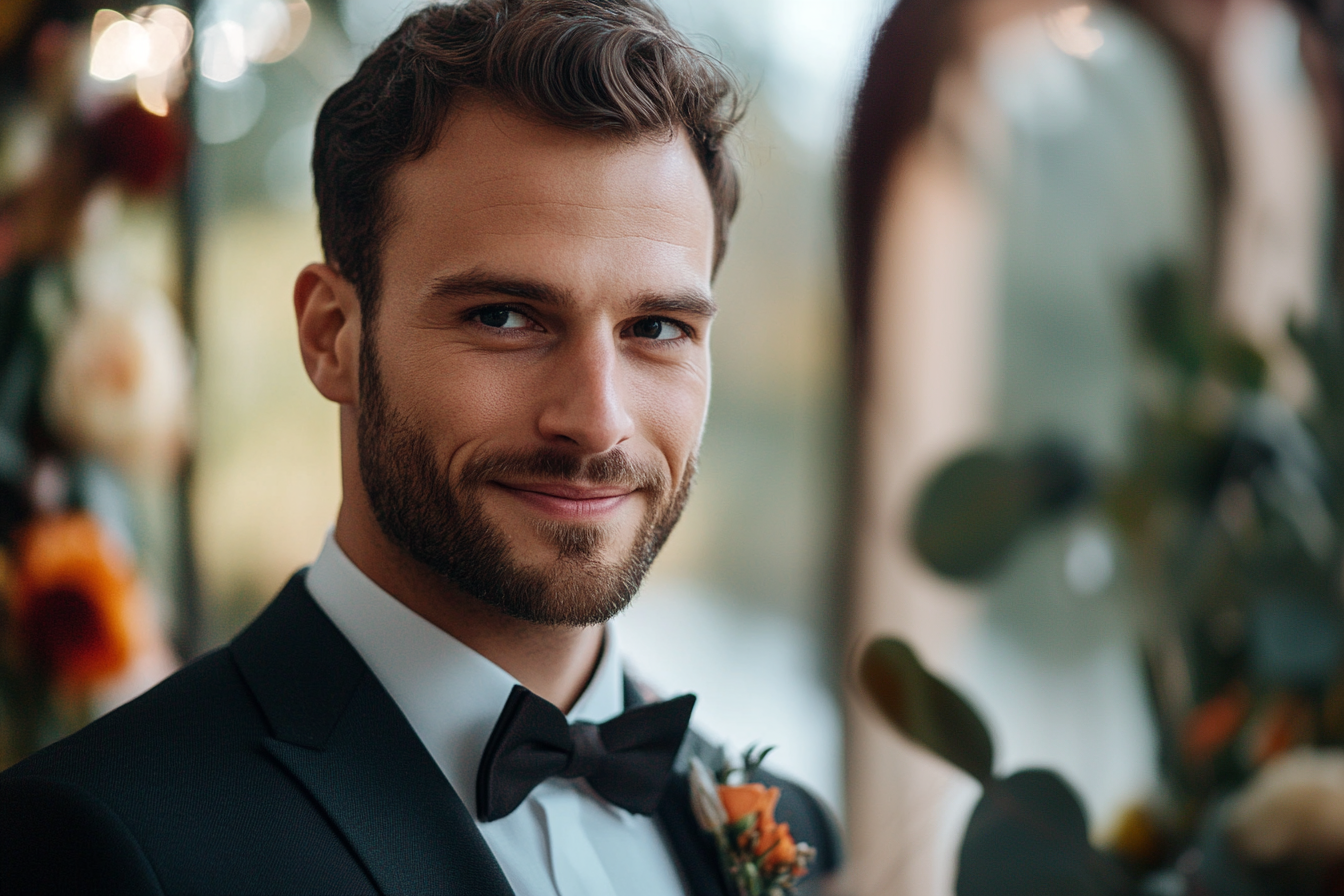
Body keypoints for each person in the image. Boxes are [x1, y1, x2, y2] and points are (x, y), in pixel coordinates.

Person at [0, 1, 842, 893]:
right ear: (332, 336)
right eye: (505, 317)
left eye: (658, 327)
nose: (597, 421)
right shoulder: (96, 841)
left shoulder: (791, 826)